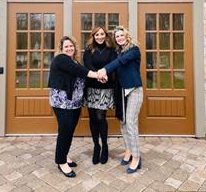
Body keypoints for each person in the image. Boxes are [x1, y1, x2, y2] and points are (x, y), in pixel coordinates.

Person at [48, 36, 98, 178]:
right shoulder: (61, 59)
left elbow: (82, 72)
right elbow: (82, 72)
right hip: (62, 103)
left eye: (71, 46)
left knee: (69, 131)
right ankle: (61, 162)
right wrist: (97, 74)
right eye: (66, 46)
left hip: (74, 103)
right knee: (65, 131)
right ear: (61, 48)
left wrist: (99, 77)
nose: (69, 48)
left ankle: (64, 155)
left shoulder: (73, 60)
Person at [97, 25, 143, 174]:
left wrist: (104, 70)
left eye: (121, 35)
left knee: (131, 123)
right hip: (121, 91)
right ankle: (129, 150)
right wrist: (105, 77)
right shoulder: (118, 52)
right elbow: (116, 69)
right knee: (122, 122)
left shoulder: (133, 50)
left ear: (127, 36)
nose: (119, 38)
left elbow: (120, 63)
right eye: (117, 36)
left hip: (134, 89)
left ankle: (136, 157)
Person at [83, 26, 117, 164]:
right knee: (92, 118)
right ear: (93, 36)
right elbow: (88, 64)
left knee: (101, 117)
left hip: (106, 87)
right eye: (97, 35)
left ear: (106, 35)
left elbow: (113, 64)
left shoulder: (111, 50)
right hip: (91, 87)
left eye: (102, 34)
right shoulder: (88, 49)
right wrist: (98, 75)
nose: (100, 37)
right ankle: (96, 146)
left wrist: (105, 75)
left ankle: (105, 146)